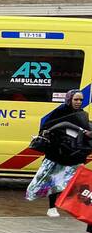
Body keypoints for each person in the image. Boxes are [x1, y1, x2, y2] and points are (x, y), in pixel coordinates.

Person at [26, 89, 90, 217]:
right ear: (69, 99)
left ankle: (75, 208)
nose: (78, 102)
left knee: (72, 182)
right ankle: (51, 208)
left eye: (81, 100)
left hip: (74, 155)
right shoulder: (59, 112)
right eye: (75, 99)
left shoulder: (82, 114)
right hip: (57, 153)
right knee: (54, 181)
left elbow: (86, 131)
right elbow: (46, 128)